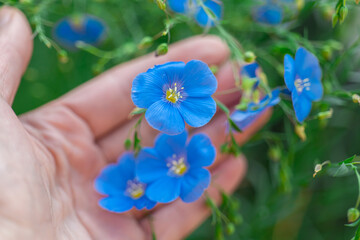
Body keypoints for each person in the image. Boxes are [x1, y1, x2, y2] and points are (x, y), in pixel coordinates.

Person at [0, 6, 270, 240]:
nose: (173, 94)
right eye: (170, 92)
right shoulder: (157, 97)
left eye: (173, 93)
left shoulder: (186, 106)